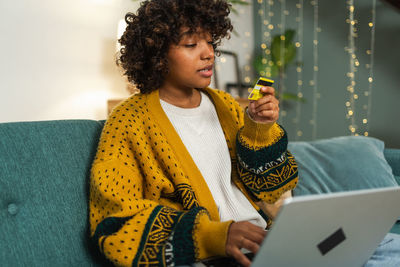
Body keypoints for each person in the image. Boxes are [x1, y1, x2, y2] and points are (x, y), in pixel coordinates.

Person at [88, 0, 400, 266]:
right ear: (156, 53)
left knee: (387, 245)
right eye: (191, 44)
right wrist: (214, 236)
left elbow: (273, 189)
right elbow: (115, 224)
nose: (208, 53)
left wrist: (259, 131)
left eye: (210, 42)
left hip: (271, 241)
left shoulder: (224, 104)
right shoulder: (129, 120)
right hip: (219, 255)